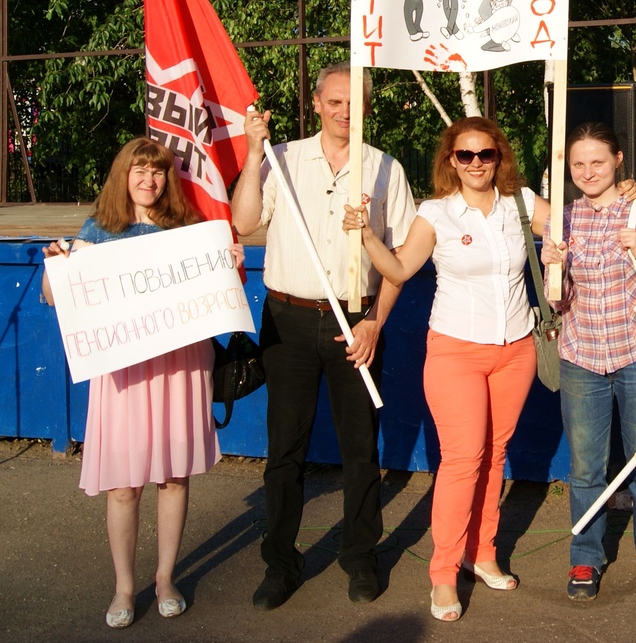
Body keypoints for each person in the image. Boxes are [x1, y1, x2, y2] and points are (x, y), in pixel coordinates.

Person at [341, 116, 544, 623]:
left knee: (496, 455)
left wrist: (620, 191)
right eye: (465, 155)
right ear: (451, 161)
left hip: (516, 347)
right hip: (455, 349)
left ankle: (483, 552)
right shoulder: (436, 212)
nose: (476, 164)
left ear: (500, 156)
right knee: (463, 460)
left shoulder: (522, 203)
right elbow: (400, 269)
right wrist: (365, 235)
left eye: (486, 154)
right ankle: (444, 573)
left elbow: (581, 221)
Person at [231, 63, 416, 610]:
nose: (344, 111)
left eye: (354, 102)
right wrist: (250, 152)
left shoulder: (385, 170)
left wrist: (374, 323)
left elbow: (399, 261)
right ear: (315, 103)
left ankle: (360, 556)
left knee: (361, 450)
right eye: (334, 101)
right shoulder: (281, 158)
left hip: (354, 322)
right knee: (284, 451)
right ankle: (281, 564)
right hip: (287, 321)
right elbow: (243, 222)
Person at [41, 137, 233, 629]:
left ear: (168, 179)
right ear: (122, 176)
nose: (149, 180)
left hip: (179, 366)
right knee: (123, 486)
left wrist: (226, 265)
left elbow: (216, 288)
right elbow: (52, 296)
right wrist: (56, 263)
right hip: (123, 370)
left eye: (158, 172)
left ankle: (166, 578)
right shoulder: (99, 230)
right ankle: (125, 587)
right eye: (139, 171)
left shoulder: (187, 228)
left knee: (173, 477)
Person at [539, 122, 636, 602]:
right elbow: (558, 302)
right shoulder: (561, 221)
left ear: (618, 160)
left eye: (597, 161)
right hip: (582, 356)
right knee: (585, 469)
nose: (587, 171)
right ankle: (585, 559)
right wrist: (553, 267)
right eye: (578, 163)